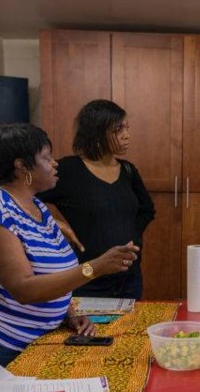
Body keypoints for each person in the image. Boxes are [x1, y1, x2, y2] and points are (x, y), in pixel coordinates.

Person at [0, 123, 138, 389]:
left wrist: (67, 312)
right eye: (46, 157)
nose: (55, 164)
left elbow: (49, 271)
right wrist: (94, 268)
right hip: (0, 341)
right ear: (22, 166)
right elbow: (24, 288)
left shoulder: (36, 205)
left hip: (34, 338)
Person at [38, 99, 154, 299]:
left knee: (128, 330)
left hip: (129, 279)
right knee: (89, 331)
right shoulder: (68, 170)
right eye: (119, 130)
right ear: (97, 133)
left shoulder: (128, 170)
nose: (127, 135)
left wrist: (130, 237)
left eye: (127, 128)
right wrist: (54, 223)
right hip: (87, 280)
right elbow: (23, 198)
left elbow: (147, 210)